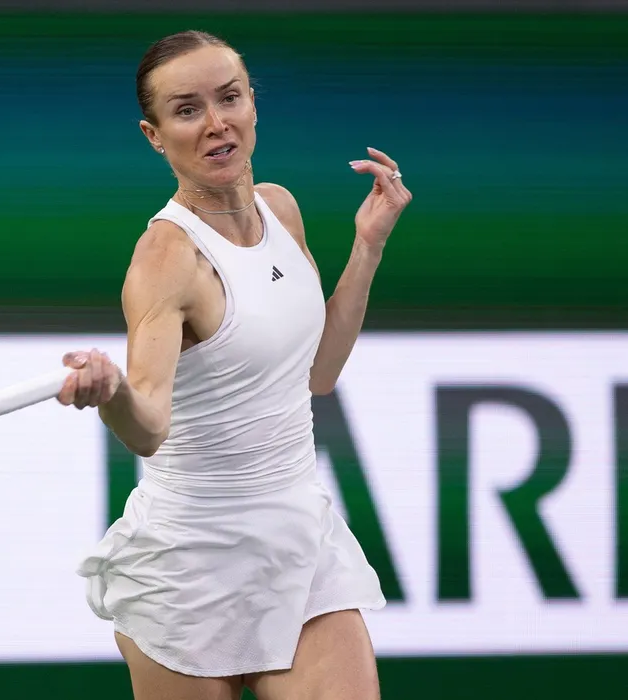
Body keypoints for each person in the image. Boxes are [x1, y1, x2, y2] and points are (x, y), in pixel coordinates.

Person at [57, 30, 412, 700]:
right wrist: (112, 392)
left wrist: (367, 247)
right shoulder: (166, 258)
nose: (216, 123)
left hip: (298, 543)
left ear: (252, 104)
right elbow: (148, 427)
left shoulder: (280, 207)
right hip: (188, 567)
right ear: (154, 136)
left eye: (230, 98)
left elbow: (318, 373)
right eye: (187, 110)